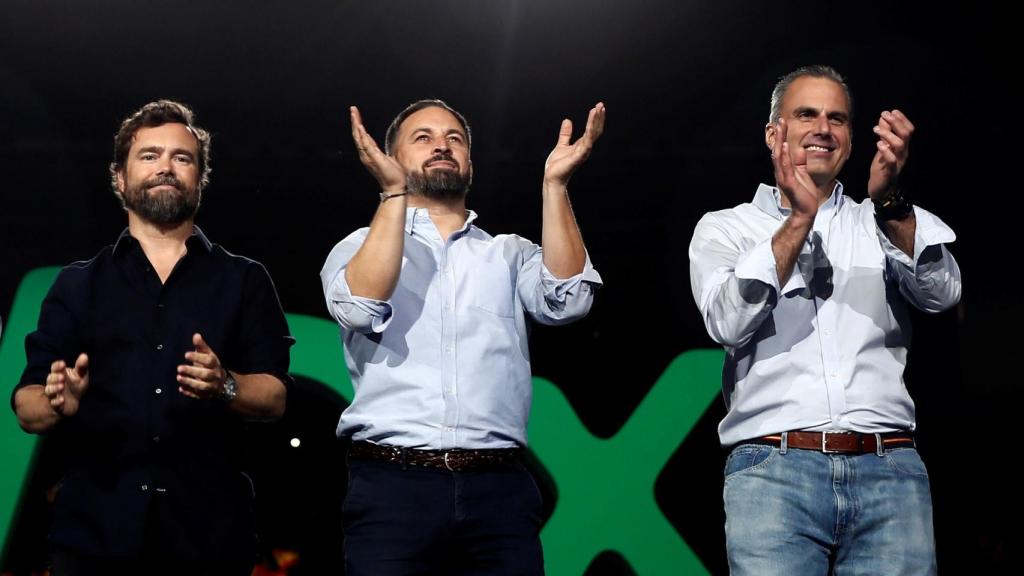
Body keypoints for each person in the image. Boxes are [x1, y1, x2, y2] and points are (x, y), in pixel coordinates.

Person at [688, 66, 961, 574]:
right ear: (775, 133)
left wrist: (890, 201)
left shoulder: (879, 217)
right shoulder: (726, 228)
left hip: (889, 469)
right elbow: (727, 322)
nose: (822, 128)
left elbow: (942, 294)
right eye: (806, 114)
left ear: (852, 140)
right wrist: (798, 221)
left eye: (837, 118)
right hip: (773, 472)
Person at [320, 99, 605, 574]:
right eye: (423, 137)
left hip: (499, 489)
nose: (442, 146)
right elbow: (359, 305)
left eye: (455, 139)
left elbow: (569, 300)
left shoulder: (509, 253)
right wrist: (393, 195)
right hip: (393, 487)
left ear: (469, 162)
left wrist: (555, 186)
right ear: (391, 158)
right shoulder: (357, 245)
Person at [12, 100, 294, 576]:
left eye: (182, 158)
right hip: (92, 537)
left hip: (210, 538)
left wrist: (225, 384)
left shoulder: (244, 280)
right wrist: (57, 401)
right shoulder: (77, 284)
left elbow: (275, 397)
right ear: (119, 178)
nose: (166, 166)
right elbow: (27, 404)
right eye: (150, 155)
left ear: (199, 180)